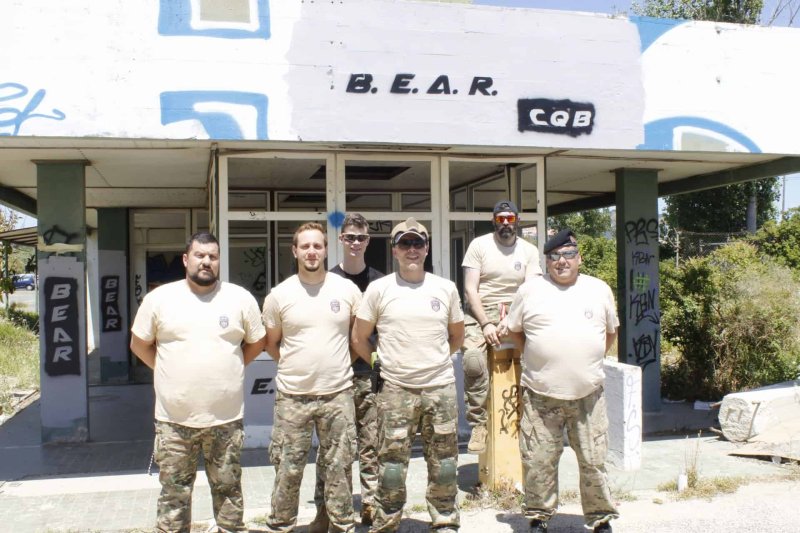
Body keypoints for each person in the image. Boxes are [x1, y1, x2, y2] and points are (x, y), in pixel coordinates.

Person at [130, 231, 266, 533]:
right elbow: (139, 344)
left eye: (212, 256)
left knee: (229, 496)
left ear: (219, 261)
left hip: (225, 421)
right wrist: (166, 369)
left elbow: (257, 342)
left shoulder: (239, 298)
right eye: (199, 255)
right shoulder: (159, 299)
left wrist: (232, 365)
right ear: (185, 259)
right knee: (174, 501)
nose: (206, 261)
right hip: (174, 422)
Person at [352, 218, 465, 533]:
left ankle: (444, 520)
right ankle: (387, 522)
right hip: (396, 390)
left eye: (418, 243)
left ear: (427, 248)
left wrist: (433, 360)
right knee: (390, 467)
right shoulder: (379, 289)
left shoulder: (445, 288)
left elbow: (457, 336)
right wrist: (382, 363)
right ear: (394, 250)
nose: (412, 249)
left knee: (444, 464)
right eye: (405, 243)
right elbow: (359, 338)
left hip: (439, 388)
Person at [507, 229, 619, 533]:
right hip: (541, 395)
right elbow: (515, 331)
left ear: (579, 258)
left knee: (594, 460)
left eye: (568, 254)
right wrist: (539, 356)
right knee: (538, 461)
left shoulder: (599, 289)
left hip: (588, 396)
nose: (562, 261)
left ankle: (600, 518)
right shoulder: (530, 291)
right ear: (546, 261)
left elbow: (610, 332)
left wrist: (585, 360)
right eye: (554, 256)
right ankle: (538, 517)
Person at [262, 222, 362, 533]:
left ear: (325, 250)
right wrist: (295, 365)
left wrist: (340, 362)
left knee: (339, 468)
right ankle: (281, 526)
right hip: (293, 397)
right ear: (295, 251)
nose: (311, 251)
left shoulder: (347, 290)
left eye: (317, 246)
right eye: (305, 246)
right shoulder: (279, 295)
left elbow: (357, 338)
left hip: (338, 394)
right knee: (287, 470)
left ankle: (340, 525)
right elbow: (271, 343)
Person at [309, 213, 384, 532]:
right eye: (350, 237)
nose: (355, 243)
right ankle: (325, 509)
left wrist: (377, 363)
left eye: (361, 238)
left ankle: (371, 504)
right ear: (341, 239)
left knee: (371, 443)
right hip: (334, 377)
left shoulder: (379, 282)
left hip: (368, 374)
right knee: (332, 448)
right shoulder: (327, 281)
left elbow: (383, 330)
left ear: (368, 241)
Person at [461, 200, 542, 453]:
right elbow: (470, 289)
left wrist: (512, 319)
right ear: (494, 221)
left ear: (517, 221)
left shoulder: (529, 250)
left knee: (540, 355)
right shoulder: (479, 245)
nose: (505, 224)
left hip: (518, 311)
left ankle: (534, 418)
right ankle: (478, 424)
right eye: (500, 219)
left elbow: (531, 290)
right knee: (473, 359)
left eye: (510, 219)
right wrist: (486, 323)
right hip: (482, 311)